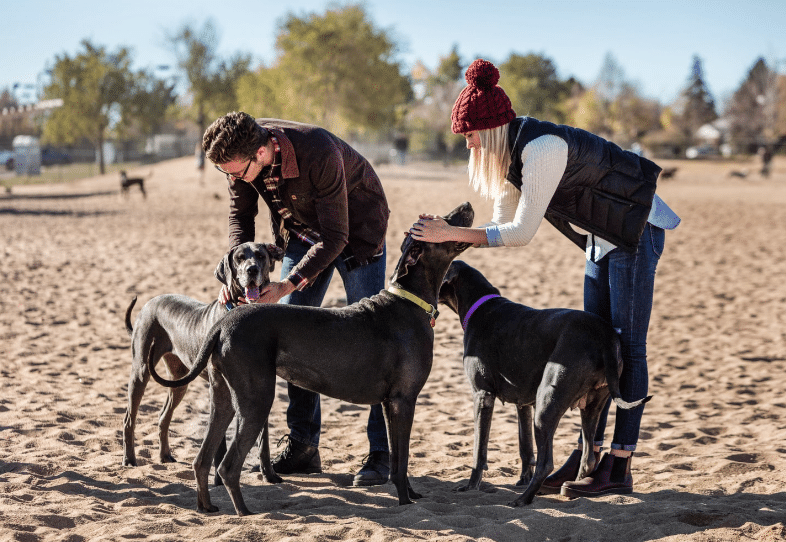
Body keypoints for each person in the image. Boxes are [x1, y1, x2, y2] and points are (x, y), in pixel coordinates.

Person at [409, 59, 681, 497]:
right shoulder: (511, 157)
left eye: (470, 136)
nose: (468, 145)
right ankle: (587, 456)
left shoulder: (543, 149)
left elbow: (520, 233)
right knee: (597, 342)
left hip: (636, 230)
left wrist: (450, 233)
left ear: (491, 129)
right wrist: (447, 235)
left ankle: (619, 465)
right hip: (601, 236)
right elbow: (500, 223)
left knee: (627, 346)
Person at [202, 112, 391, 486]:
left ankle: (381, 455)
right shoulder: (239, 158)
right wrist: (236, 272)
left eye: (237, 173)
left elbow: (336, 237)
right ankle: (304, 446)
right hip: (303, 232)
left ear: (260, 152)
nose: (233, 179)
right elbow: (240, 216)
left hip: (357, 234)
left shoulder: (318, 150)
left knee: (374, 341)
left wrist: (288, 283)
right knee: (288, 334)